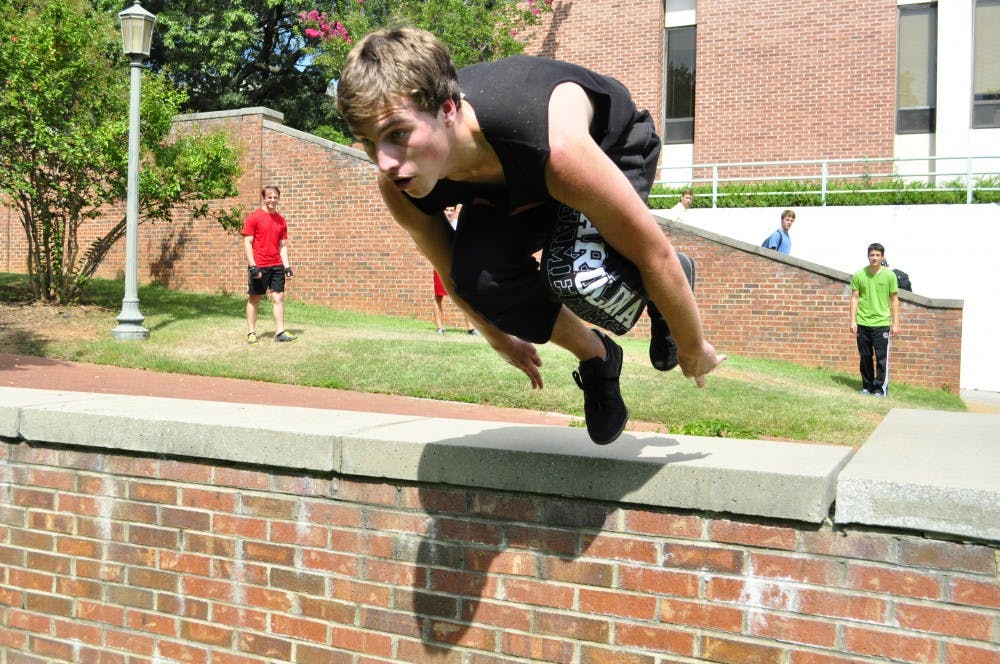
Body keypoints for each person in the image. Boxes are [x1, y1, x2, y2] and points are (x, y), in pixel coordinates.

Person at [336, 28, 724, 444]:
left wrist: (693, 346)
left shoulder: (556, 146)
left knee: (578, 274)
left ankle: (657, 294)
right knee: (480, 276)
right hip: (508, 185)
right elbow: (452, 273)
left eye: (397, 134)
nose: (386, 162)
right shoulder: (399, 181)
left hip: (608, 149)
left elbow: (655, 254)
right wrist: (498, 337)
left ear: (447, 109)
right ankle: (599, 360)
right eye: (369, 142)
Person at [242, 186, 297, 344]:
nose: (272, 200)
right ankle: (251, 333)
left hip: (277, 265)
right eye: (269, 197)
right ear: (264, 198)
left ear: (278, 199)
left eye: (275, 197)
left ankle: (280, 333)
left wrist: (287, 267)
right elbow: (247, 242)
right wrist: (253, 266)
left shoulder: (281, 220)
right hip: (259, 265)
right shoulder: (254, 217)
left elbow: (282, 246)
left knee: (278, 297)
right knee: (255, 298)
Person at [850, 242, 900, 397]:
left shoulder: (890, 276)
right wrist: (853, 320)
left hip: (882, 323)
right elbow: (854, 298)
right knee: (865, 356)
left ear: (882, 257)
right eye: (872, 255)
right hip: (863, 322)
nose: (874, 258)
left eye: (878, 255)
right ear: (868, 256)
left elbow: (894, 299)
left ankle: (880, 389)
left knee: (881, 358)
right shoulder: (859, 274)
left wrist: (895, 322)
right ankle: (867, 386)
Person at [431, 205, 477, 335]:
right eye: (446, 210)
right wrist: (434, 257)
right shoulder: (436, 227)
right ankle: (440, 328)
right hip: (440, 265)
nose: (449, 213)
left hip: (458, 267)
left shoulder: (459, 226)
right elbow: (420, 245)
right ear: (442, 211)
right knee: (439, 296)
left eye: (452, 210)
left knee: (464, 297)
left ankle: (471, 328)